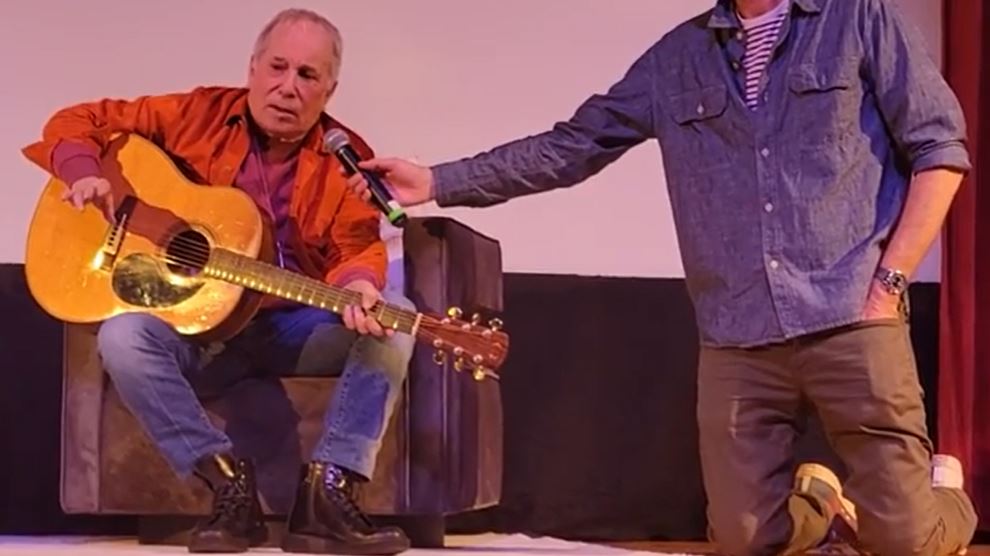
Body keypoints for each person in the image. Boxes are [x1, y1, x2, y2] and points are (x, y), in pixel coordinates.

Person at [346, 0, 978, 554]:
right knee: (743, 539)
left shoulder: (860, 18)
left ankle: (945, 492)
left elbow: (940, 150)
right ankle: (822, 505)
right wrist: (438, 182)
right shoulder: (679, 57)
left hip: (850, 315)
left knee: (905, 540)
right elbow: (570, 146)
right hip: (738, 334)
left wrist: (889, 284)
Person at [21, 8, 413, 556]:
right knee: (123, 338)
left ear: (329, 90)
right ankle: (227, 484)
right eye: (277, 67)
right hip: (201, 332)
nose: (288, 87)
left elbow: (355, 245)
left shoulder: (346, 158)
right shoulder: (197, 115)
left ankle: (329, 493)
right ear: (253, 68)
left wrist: (359, 283)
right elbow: (78, 119)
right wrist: (83, 169)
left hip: (291, 331)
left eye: (307, 75)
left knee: (395, 317)